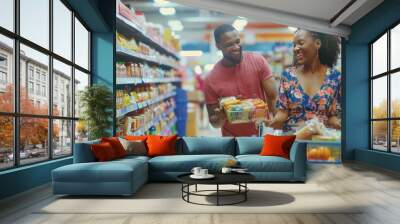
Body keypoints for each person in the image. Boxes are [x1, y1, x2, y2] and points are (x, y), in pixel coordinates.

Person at [204, 24, 278, 136]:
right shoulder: (211, 79)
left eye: (237, 42)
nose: (236, 47)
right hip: (232, 141)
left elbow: (273, 97)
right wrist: (220, 117)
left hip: (261, 134)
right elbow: (214, 122)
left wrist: (276, 123)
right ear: (218, 46)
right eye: (229, 45)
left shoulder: (258, 61)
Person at [268, 29, 341, 134]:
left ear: (317, 43)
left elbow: (332, 116)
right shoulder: (288, 75)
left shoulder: (335, 77)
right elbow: (282, 113)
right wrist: (270, 122)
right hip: (293, 141)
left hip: (321, 143)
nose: (295, 48)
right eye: (294, 45)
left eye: (301, 43)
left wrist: (337, 123)